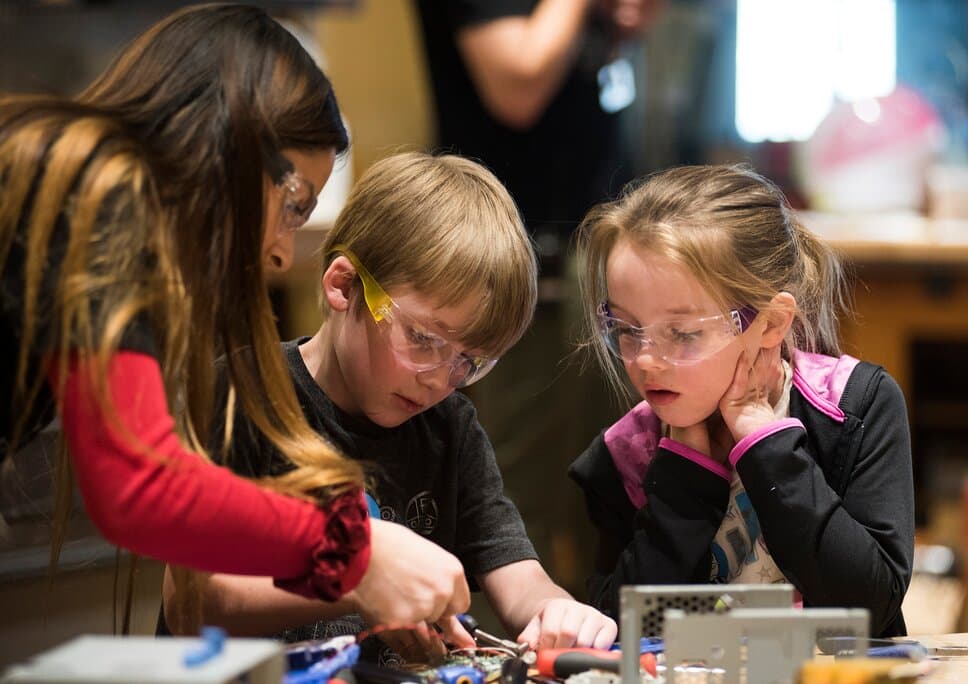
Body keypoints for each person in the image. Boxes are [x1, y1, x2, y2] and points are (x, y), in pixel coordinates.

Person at [0, 3, 468, 632]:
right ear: (229, 143)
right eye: (293, 202)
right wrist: (356, 548)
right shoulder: (105, 195)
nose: (279, 252)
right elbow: (141, 487)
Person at [161, 152, 618, 662]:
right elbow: (192, 602)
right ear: (343, 286)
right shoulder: (244, 393)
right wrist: (353, 576)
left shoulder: (450, 430)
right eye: (422, 338)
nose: (440, 380)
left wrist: (558, 611)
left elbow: (519, 577)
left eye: (469, 361)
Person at [568, 164, 914, 638]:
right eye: (627, 330)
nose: (645, 361)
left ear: (771, 323)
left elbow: (869, 606)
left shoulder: (855, 406)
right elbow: (621, 629)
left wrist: (764, 442)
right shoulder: (628, 449)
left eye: (683, 333)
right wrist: (685, 479)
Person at [413, 0, 663, 600]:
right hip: (522, 248)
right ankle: (518, 651)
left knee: (614, 480)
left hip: (593, 235)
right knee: (518, 499)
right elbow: (517, 83)